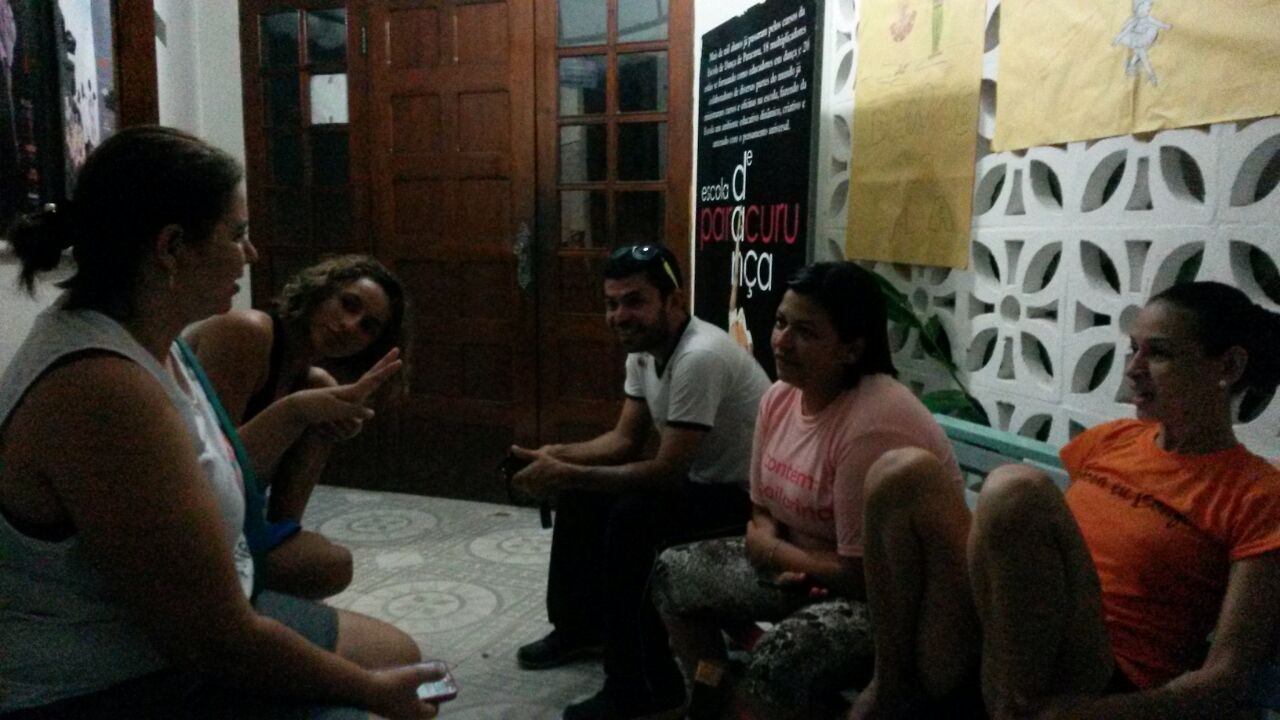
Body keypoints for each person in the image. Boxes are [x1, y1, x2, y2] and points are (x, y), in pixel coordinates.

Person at [0, 126, 443, 719]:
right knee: (372, 702)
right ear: (171, 247)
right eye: (237, 234)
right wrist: (365, 691)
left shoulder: (157, 343)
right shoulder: (103, 388)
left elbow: (231, 486)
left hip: (179, 637)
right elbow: (212, 639)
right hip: (102, 680)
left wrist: (309, 417)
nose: (250, 254)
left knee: (398, 653)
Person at [851, 281, 1280, 720]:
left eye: (1160, 353)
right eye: (1133, 350)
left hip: (1100, 680)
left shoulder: (1258, 493)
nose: (1133, 369)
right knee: (901, 472)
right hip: (1003, 642)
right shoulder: (1113, 440)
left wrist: (1093, 714)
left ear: (1228, 366)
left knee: (1015, 491)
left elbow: (1227, 675)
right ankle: (887, 688)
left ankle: (1013, 713)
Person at [651, 262, 964, 719]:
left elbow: (862, 576)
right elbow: (761, 511)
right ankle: (713, 699)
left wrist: (775, 553)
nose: (781, 341)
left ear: (852, 349)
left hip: (887, 605)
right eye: (781, 323)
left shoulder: (873, 423)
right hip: (805, 569)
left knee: (781, 655)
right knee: (674, 574)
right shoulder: (779, 398)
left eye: (805, 332)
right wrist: (778, 550)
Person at [509, 243, 772, 720]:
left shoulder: (700, 355)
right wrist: (554, 456)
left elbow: (666, 472)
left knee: (635, 518)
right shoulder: (646, 351)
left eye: (634, 301)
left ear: (673, 301)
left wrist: (567, 471)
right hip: (704, 484)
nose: (619, 316)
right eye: (611, 303)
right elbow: (623, 441)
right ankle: (582, 629)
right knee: (584, 495)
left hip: (750, 504)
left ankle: (645, 687)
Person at [183, 254, 407, 598]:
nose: (350, 325)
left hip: (238, 516)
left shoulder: (312, 379)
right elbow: (210, 475)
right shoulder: (247, 331)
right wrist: (295, 411)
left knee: (328, 561)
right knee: (325, 564)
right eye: (348, 304)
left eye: (368, 327)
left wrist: (318, 415)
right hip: (186, 515)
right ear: (320, 291)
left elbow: (280, 515)